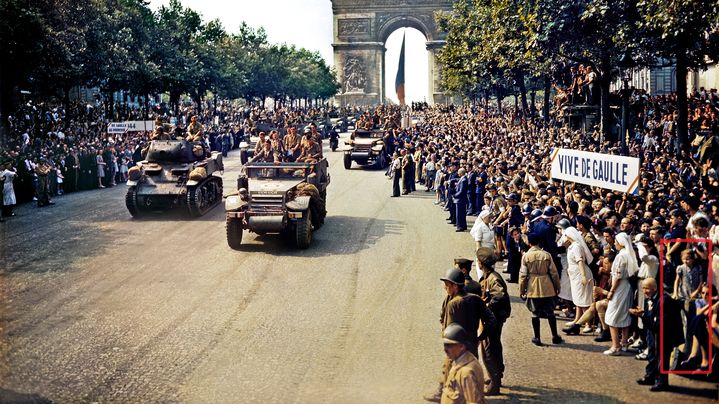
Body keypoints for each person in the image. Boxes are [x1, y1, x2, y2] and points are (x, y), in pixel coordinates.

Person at [425, 268, 496, 403]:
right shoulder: (475, 299)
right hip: (472, 345)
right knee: (470, 373)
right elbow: (491, 320)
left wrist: (448, 345)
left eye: (447, 285)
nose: (445, 288)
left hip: (456, 347)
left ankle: (444, 394)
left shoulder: (453, 304)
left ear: (455, 286)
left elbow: (449, 329)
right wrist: (481, 336)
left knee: (449, 371)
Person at [476, 247, 510, 396]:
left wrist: (486, 306)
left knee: (489, 350)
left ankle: (495, 384)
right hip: (493, 318)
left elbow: (499, 296)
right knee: (492, 347)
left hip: (494, 319)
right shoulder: (487, 276)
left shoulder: (493, 278)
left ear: (482, 263)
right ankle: (495, 377)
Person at [519, 233, 563, 346]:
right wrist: (557, 287)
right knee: (550, 312)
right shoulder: (546, 255)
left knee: (535, 313)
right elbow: (554, 273)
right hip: (547, 285)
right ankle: (555, 336)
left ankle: (537, 337)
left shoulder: (526, 256)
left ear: (529, 243)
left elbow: (523, 275)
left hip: (533, 286)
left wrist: (522, 290)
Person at [603, 232, 637, 355]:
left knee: (612, 316)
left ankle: (615, 346)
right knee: (624, 315)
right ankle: (624, 343)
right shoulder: (628, 255)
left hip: (620, 287)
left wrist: (611, 291)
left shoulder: (621, 256)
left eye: (617, 242)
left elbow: (617, 276)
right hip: (626, 286)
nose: (615, 244)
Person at [440, 323, 486, 404]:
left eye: (449, 345)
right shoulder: (461, 360)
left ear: (461, 346)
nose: (445, 349)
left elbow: (473, 402)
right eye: (445, 345)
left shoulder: (466, 372)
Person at [561, 227, 595, 335]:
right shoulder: (571, 247)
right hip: (574, 275)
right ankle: (577, 319)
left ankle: (587, 324)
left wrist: (584, 276)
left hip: (580, 274)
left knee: (583, 299)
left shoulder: (577, 247)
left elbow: (580, 261)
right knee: (577, 298)